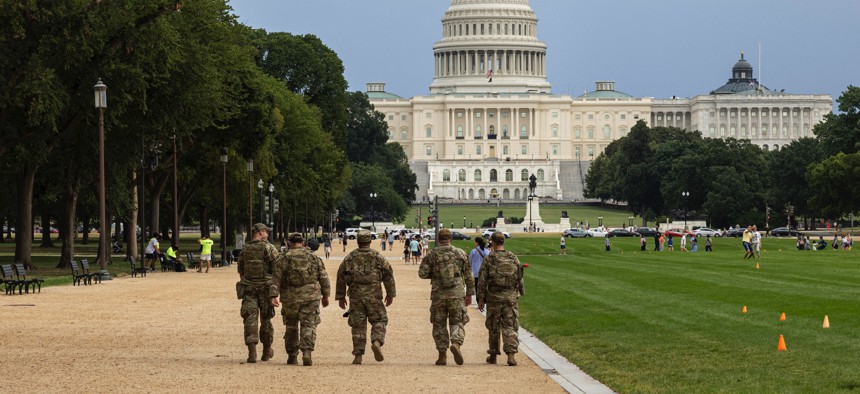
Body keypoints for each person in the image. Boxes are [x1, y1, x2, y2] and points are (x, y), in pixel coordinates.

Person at [335, 230, 396, 365]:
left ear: (358, 242)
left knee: (358, 326)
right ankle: (376, 341)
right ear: (369, 241)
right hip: (374, 295)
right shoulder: (377, 257)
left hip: (356, 296)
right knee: (379, 320)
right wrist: (390, 294)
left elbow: (340, 277)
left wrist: (340, 296)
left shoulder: (350, 257)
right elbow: (388, 275)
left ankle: (358, 354)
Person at [270, 233, 331, 366]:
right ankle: (307, 351)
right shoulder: (313, 257)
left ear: (289, 243)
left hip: (290, 296)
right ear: (303, 243)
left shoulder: (283, 258)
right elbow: (323, 277)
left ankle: (292, 355)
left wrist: (273, 295)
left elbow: (276, 278)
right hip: (310, 295)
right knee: (308, 324)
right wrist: (325, 295)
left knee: (291, 326)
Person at [418, 228, 475, 366]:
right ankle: (456, 342)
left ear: (438, 239)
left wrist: (435, 274)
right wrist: (469, 294)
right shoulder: (460, 253)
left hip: (438, 294)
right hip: (456, 293)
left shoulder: (432, 254)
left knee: (439, 325)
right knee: (458, 321)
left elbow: (422, 273)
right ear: (451, 239)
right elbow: (468, 275)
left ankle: (442, 355)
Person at [477, 231, 525, 366]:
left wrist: (481, 298)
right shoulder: (513, 257)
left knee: (493, 326)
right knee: (509, 325)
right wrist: (521, 291)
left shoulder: (489, 258)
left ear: (492, 241)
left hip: (494, 297)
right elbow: (520, 276)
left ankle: (493, 354)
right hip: (510, 297)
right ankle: (511, 354)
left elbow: (482, 280)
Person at [237, 223, 279, 364]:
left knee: (250, 319)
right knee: (266, 320)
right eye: (266, 232)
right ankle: (266, 351)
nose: (267, 234)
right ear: (260, 232)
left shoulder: (245, 248)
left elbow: (240, 268)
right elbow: (276, 267)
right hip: (265, 288)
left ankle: (252, 352)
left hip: (249, 288)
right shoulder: (268, 247)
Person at [469, 237, 489, 302]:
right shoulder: (487, 251)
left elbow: (470, 261)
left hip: (476, 273)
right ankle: (485, 300)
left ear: (477, 242)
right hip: (485, 273)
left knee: (477, 288)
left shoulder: (473, 251)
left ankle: (479, 301)